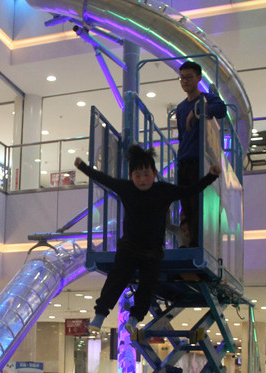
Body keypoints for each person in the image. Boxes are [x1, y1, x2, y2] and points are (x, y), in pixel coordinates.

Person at [75, 145, 221, 335]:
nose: (142, 179)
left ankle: (135, 318)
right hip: (129, 247)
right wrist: (83, 167)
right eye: (137, 175)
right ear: (131, 176)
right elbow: (105, 180)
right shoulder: (126, 188)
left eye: (146, 174)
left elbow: (189, 191)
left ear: (154, 173)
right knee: (116, 279)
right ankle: (100, 315)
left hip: (152, 250)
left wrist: (211, 176)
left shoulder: (163, 190)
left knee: (147, 284)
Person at [175, 60, 227, 247]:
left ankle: (197, 244)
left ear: (198, 78)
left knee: (197, 204)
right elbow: (182, 136)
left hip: (199, 160)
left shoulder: (207, 99)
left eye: (189, 77)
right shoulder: (180, 108)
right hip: (184, 160)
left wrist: (198, 111)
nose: (185, 81)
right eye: (182, 78)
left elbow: (221, 110)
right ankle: (189, 242)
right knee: (186, 205)